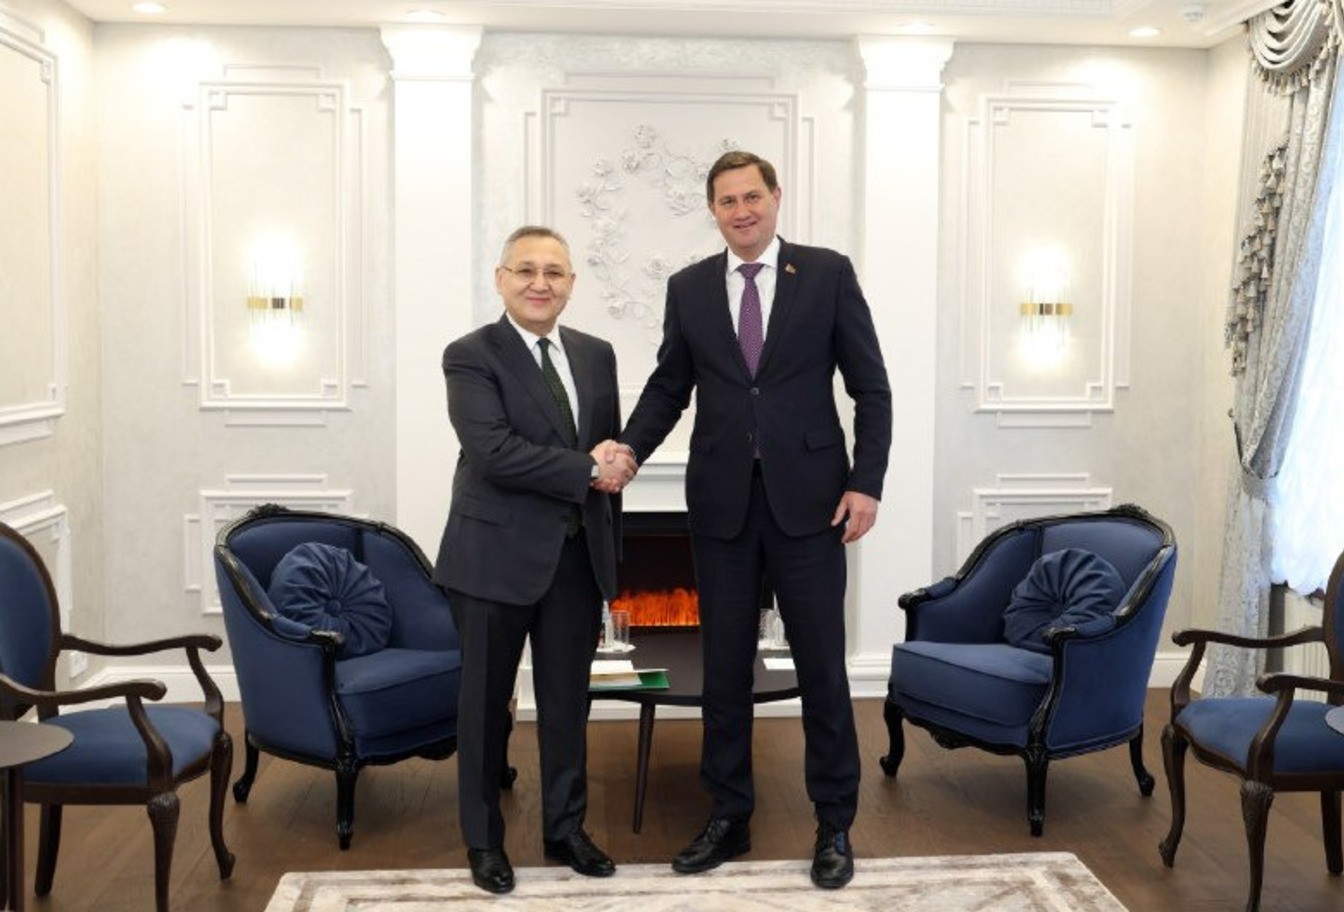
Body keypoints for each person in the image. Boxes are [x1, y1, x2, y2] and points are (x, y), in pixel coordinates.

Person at [617, 150, 892, 889]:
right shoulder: (689, 288)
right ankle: (729, 815)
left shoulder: (826, 273)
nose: (741, 211)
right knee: (725, 670)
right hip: (722, 506)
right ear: (712, 210)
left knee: (823, 669)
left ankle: (833, 822)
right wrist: (629, 452)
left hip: (812, 505)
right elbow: (668, 387)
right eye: (727, 201)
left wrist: (866, 484)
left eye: (751, 197)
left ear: (776, 197)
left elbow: (871, 387)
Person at [433, 225, 637, 894]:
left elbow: (605, 452)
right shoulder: (470, 355)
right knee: (484, 707)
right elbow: (493, 452)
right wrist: (589, 467)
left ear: (572, 284)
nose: (540, 283)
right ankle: (483, 840)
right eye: (526, 270)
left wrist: (609, 495)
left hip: (575, 560)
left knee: (567, 705)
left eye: (554, 272)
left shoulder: (597, 354)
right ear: (501, 279)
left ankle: (565, 828)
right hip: (491, 560)